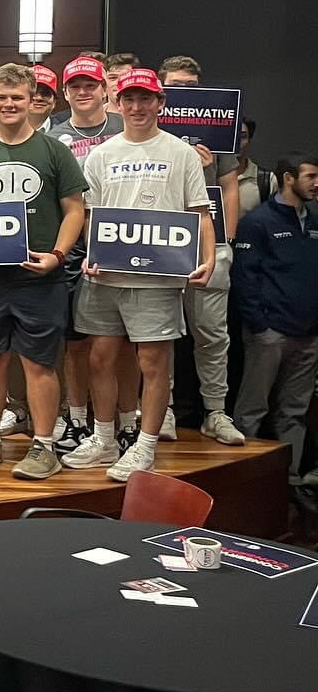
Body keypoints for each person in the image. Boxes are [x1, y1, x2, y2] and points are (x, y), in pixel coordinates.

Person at [62, 68, 214, 482]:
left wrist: (209, 257)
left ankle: (144, 445)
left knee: (152, 362)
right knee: (100, 357)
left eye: (146, 99)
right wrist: (91, 252)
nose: (137, 107)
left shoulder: (180, 153)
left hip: (158, 276)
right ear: (118, 102)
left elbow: (200, 213)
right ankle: (105, 437)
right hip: (105, 275)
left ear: (160, 102)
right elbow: (89, 215)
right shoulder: (102, 153)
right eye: (129, 99)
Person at [0, 62, 87, 481]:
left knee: (39, 364)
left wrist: (58, 255)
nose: (9, 104)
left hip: (38, 276)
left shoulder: (54, 151)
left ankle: (44, 446)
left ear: (31, 102)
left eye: (17, 98)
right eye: (1, 98)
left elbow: (75, 211)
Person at [158, 54, 245, 445]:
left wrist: (225, 240)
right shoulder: (149, 123)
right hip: (161, 239)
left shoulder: (216, 130)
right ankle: (163, 412)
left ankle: (216, 412)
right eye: (174, 87)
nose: (183, 94)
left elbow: (229, 185)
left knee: (211, 333)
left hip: (209, 242)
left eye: (190, 88)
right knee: (160, 334)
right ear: (162, 88)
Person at [46, 56, 127, 453]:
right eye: (75, 86)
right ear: (66, 92)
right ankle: (77, 420)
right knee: (74, 345)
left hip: (118, 247)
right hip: (72, 250)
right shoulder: (56, 136)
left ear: (105, 89)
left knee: (121, 345)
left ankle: (124, 423)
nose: (83, 92)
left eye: (90, 85)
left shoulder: (124, 128)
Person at [232, 153, 318, 489]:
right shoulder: (258, 221)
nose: (316, 183)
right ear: (288, 178)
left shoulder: (314, 220)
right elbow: (245, 276)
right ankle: (241, 479)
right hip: (269, 332)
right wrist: (259, 324)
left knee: (294, 411)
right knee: (252, 410)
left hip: (308, 334)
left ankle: (290, 479)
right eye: (310, 176)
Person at [28, 65, 58, 132]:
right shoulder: (3, 128)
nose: (38, 98)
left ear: (54, 102)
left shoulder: (64, 132)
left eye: (45, 93)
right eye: (32, 92)